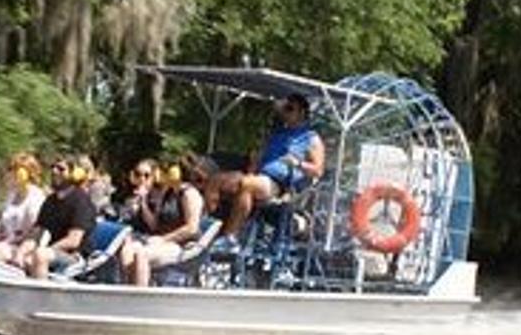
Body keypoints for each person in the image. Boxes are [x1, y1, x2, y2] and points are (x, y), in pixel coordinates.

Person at [221, 92, 325, 239]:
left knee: (247, 184)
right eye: (284, 108)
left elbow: (318, 171)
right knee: (218, 180)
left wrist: (298, 163)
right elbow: (259, 158)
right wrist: (253, 164)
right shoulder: (277, 133)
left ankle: (229, 237)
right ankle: (205, 232)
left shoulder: (311, 138)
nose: (284, 112)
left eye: (289, 108)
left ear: (302, 112)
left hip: (281, 186)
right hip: (260, 177)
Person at [119, 155, 210, 286]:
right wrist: (142, 202)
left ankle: (139, 296)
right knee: (127, 249)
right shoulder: (167, 192)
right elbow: (154, 224)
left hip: (181, 246)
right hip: (161, 242)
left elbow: (191, 228)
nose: (159, 174)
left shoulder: (189, 194)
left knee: (141, 254)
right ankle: (125, 288)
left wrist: (163, 239)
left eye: (165, 171)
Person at [18, 154, 98, 280]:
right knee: (1, 251)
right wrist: (20, 253)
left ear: (73, 174)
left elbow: (73, 241)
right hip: (52, 252)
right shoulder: (50, 201)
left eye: (61, 169)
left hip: (75, 257)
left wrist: (40, 251)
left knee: (40, 254)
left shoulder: (81, 201)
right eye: (53, 167)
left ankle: (39, 298)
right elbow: (36, 233)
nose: (54, 171)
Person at [0, 152, 46, 263]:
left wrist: (10, 242)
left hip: (25, 249)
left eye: (13, 170)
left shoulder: (35, 197)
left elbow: (35, 233)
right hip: (8, 242)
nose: (9, 174)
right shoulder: (12, 195)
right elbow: (2, 224)